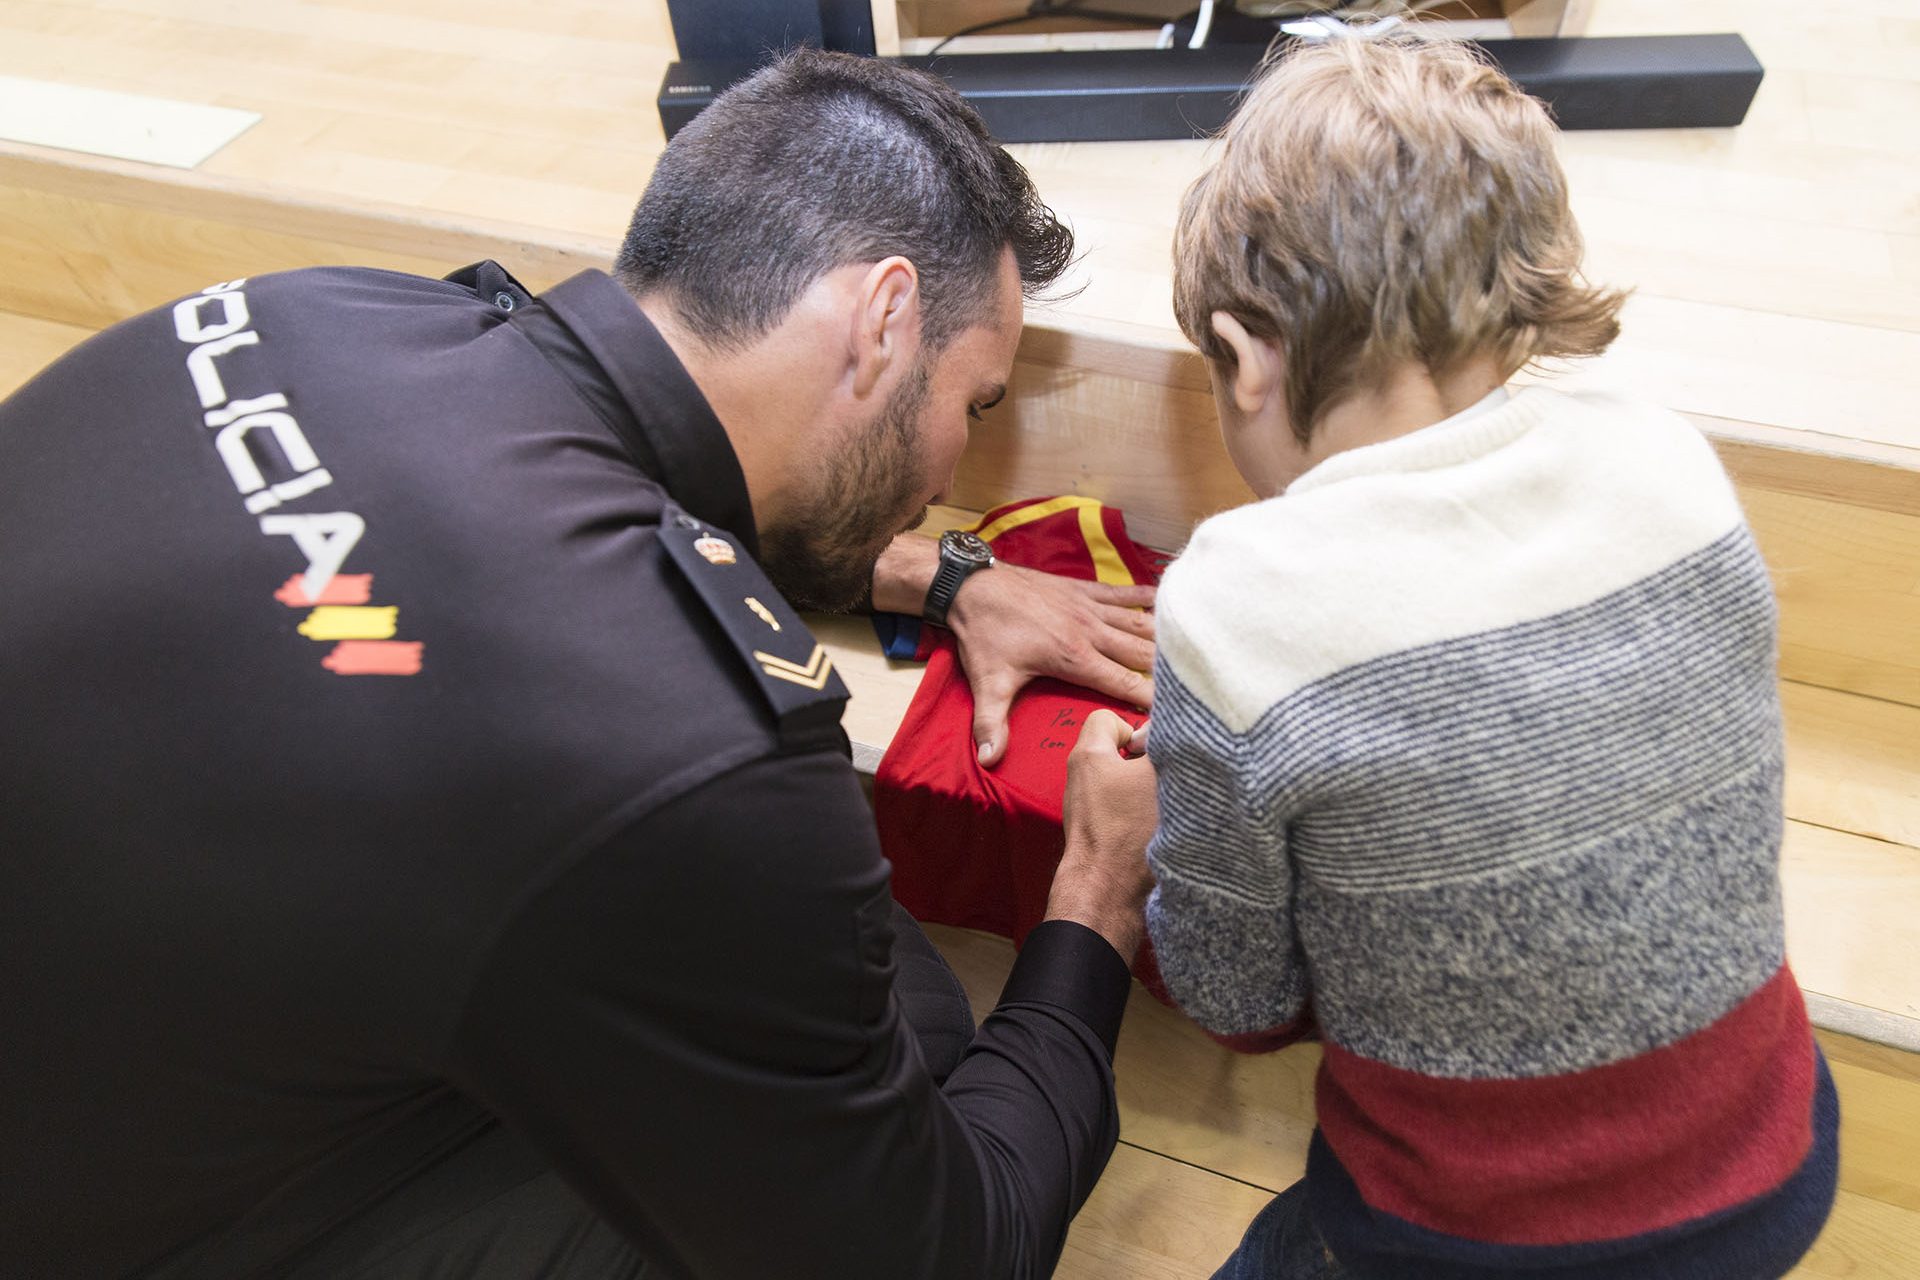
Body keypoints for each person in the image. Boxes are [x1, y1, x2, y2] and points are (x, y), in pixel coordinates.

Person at [0, 50, 1160, 1278]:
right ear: (881, 320)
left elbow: (527, 498)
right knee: (910, 1041)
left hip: (99, 1031)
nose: (949, 475)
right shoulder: (704, 752)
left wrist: (942, 571)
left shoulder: (330, 309)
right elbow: (949, 1255)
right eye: (973, 406)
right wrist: (1092, 897)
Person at [1084, 29, 1839, 1280]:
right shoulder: (1671, 462)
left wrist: (1163, 833)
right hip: (1773, 1166)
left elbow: (1238, 1006)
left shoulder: (1233, 601)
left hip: (1463, 1240)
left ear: (1253, 352)